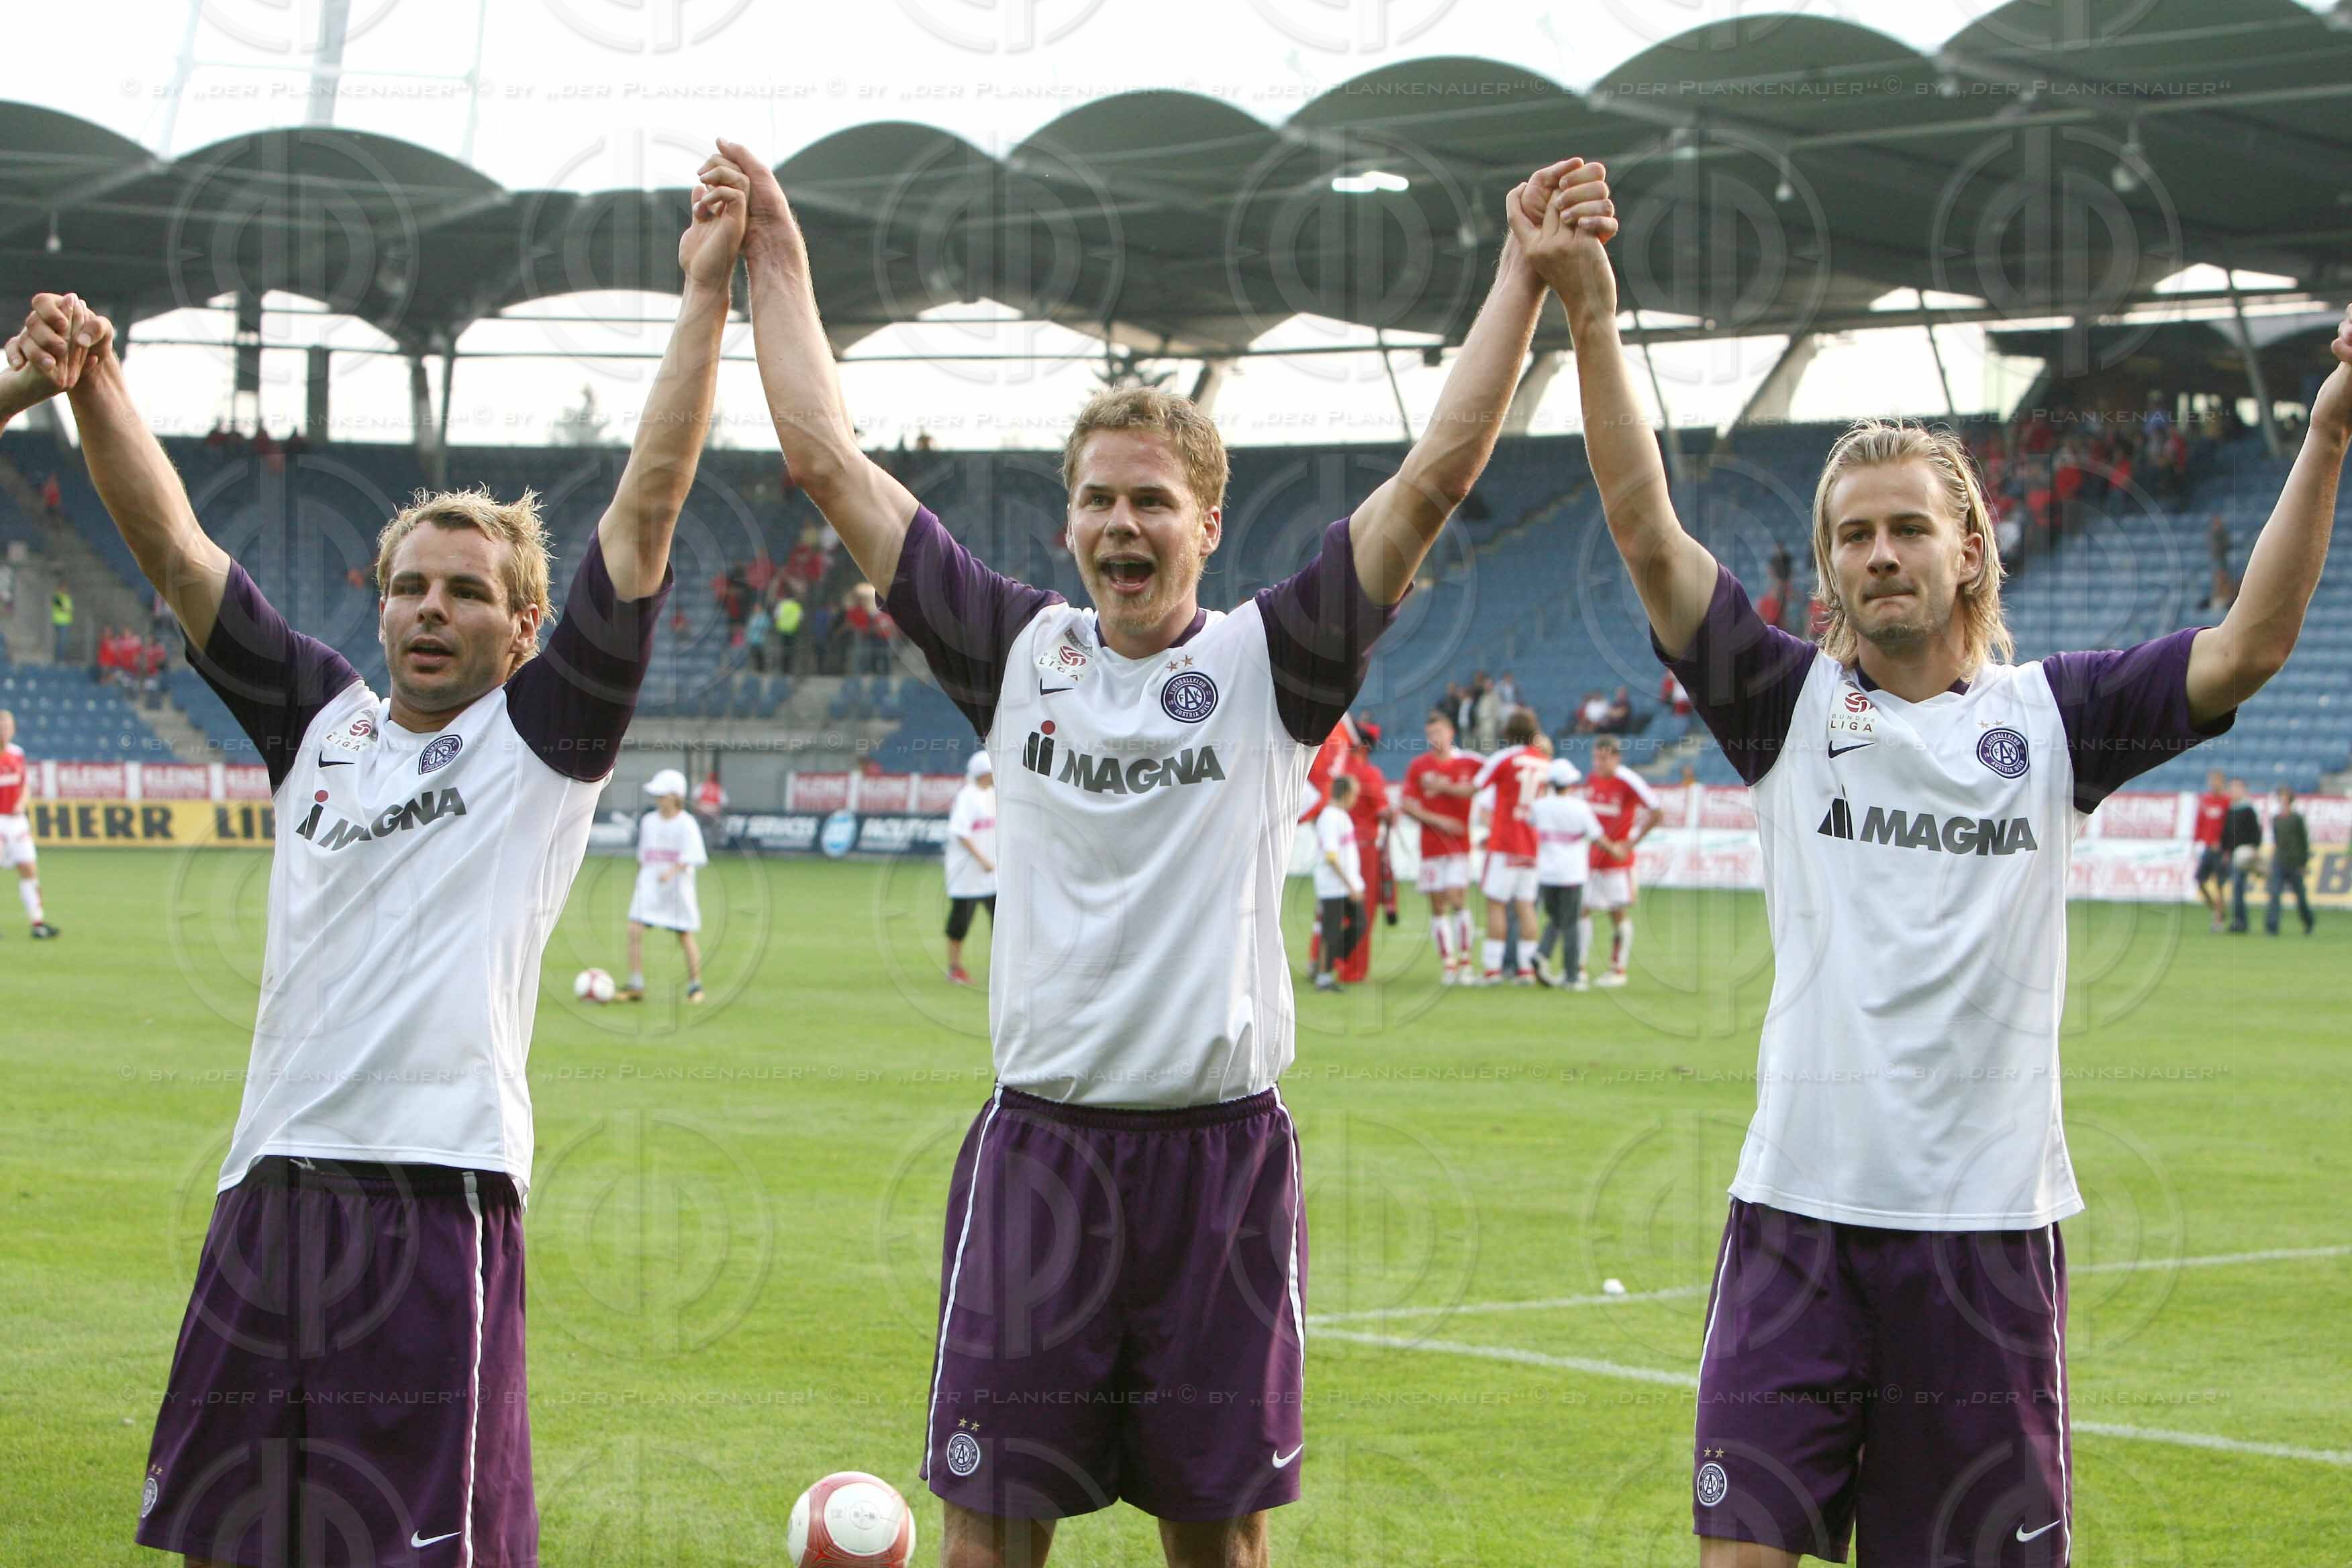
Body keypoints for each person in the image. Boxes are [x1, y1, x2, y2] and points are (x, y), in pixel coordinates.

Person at [722, 132, 1589, 1568]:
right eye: (1098, 500)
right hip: (1042, 1152)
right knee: (989, 1529)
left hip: (1219, 1162)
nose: (1123, 524)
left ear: (1206, 522)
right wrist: (777, 254)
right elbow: (824, 458)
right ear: (1066, 521)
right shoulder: (1014, 652)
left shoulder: (1273, 661)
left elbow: (1435, 475)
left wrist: (1519, 273)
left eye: (1151, 500)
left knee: (1218, 1541)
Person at [1526, 163, 2345, 1566]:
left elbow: (2248, 650)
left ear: (1971, 551)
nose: (1882, 552)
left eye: (1910, 527)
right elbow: (1646, 532)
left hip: (1983, 1243)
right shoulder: (1785, 707)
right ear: (1830, 569)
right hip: (1796, 1223)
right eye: (1855, 534)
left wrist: (2326, 431)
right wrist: (1593, 317)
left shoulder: (2055, 719)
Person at [3, 146, 732, 1567]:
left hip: (431, 1196)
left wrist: (704, 297)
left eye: (469, 593)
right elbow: (171, 543)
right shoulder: (320, 719)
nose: (431, 612)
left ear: (526, 631)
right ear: (377, 605)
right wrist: (89, 374)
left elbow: (643, 509)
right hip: (267, 1184)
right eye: (409, 586)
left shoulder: (545, 741)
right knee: (233, 1540)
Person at [1400, 708, 1483, 984]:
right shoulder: (1419, 766)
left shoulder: (1470, 763)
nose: (1434, 737)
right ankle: (1448, 963)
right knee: (1438, 905)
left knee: (1458, 899)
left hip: (1459, 846)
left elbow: (1489, 785)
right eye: (1430, 734)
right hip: (1431, 846)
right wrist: (1440, 821)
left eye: (1439, 732)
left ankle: (1466, 961)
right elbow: (1407, 806)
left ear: (1451, 732)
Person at [1472, 708, 1551, 985]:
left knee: (1496, 904)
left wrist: (1444, 786)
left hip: (1505, 840)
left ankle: (1493, 969)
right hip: (1531, 843)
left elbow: (1476, 786)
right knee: (1526, 906)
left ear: (1507, 732)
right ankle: (1526, 970)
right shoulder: (1543, 761)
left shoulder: (1505, 758)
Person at [622, 768, 708, 1005]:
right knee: (634, 930)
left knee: (684, 935)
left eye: (663, 794)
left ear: (675, 796)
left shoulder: (687, 824)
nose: (659, 799)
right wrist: (642, 879)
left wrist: (671, 872)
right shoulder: (649, 822)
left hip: (676, 889)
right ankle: (636, 984)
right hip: (650, 886)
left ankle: (695, 986)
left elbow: (694, 855)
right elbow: (644, 855)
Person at [1580, 736, 1661, 987]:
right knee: (1582, 910)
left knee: (1617, 913)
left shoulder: (1628, 780)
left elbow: (1657, 810)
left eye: (1604, 758)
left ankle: (1618, 969)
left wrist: (1630, 843)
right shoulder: (1592, 779)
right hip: (1593, 859)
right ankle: (1579, 966)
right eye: (1596, 758)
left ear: (1616, 757)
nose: (1598, 763)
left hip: (1617, 862)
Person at [1529, 756, 1602, 989]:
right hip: (1571, 874)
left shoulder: (1539, 806)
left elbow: (1531, 826)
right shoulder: (1580, 807)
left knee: (1556, 919)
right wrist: (1620, 850)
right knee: (1571, 924)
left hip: (1546, 875)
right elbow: (1597, 836)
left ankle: (1542, 954)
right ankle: (1571, 976)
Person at [0, 707, 59, 938]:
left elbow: (24, 783)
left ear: (13, 729)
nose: (4, 730)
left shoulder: (18, 753)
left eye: (7, 726)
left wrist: (22, 803)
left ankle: (38, 923)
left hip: (17, 822)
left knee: (29, 869)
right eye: (0, 726)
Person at [944, 750, 997, 985]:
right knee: (960, 924)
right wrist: (982, 860)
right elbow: (960, 832)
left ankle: (1000, 970)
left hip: (994, 876)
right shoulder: (968, 796)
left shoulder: (995, 795)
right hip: (967, 877)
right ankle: (955, 968)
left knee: (1001, 922)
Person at [1311, 772, 1365, 993]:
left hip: (1347, 884)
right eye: (1355, 794)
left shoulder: (1341, 816)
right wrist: (1350, 885)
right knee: (1331, 930)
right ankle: (1323, 976)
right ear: (1346, 793)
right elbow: (1331, 856)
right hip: (1333, 886)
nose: (1356, 799)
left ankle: (1326, 963)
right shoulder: (1330, 818)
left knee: (1359, 924)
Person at [2265, 784, 2315, 936]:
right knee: (2275, 894)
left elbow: (2303, 842)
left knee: (2300, 896)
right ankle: (2272, 927)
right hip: (2279, 862)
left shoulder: (2297, 819)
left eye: (2285, 797)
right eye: (2281, 797)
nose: (2283, 800)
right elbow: (2276, 841)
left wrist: (2304, 863)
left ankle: (2309, 922)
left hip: (2295, 863)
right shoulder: (2276, 819)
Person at [2192, 767, 2231, 930]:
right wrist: (2197, 841)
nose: (2213, 784)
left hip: (2221, 849)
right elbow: (2200, 822)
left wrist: (2226, 847)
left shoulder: (2227, 802)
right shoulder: (2206, 800)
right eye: (2211, 781)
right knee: (2200, 880)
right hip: (2208, 847)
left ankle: (2218, 920)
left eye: (2216, 781)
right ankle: (2217, 908)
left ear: (2222, 783)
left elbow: (2230, 827)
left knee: (2220, 885)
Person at [2222, 775, 2262, 934]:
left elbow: (2256, 833)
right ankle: (2236, 920)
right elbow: (2226, 834)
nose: (2233, 791)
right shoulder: (2229, 809)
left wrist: (2254, 848)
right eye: (2231, 788)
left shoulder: (2248, 810)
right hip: (2232, 854)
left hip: (2243, 855)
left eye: (2237, 788)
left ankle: (2240, 922)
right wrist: (2225, 851)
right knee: (2235, 889)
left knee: (2238, 887)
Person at [49, 583, 71, 663]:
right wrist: (66, 609)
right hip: (60, 622)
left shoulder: (66, 597)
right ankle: (59, 660)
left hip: (66, 622)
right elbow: (64, 609)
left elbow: (69, 609)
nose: (65, 590)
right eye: (64, 588)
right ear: (60, 588)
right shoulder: (56, 597)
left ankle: (62, 659)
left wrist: (66, 609)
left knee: (64, 642)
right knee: (61, 642)